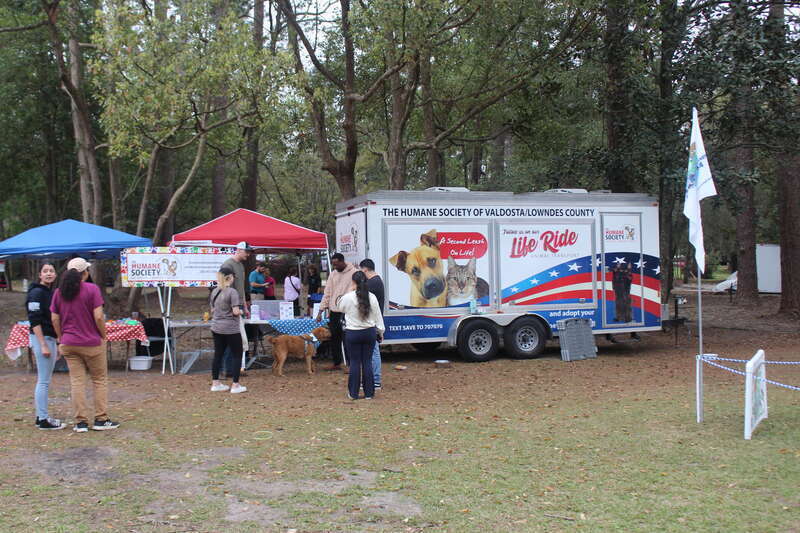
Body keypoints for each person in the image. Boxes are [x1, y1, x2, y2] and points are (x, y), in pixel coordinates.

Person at [50, 258, 119, 432]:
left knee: (77, 382)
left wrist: (61, 337)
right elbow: (98, 317)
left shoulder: (59, 292)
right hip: (91, 343)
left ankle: (80, 422)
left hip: (69, 343)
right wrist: (103, 335)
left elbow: (55, 318)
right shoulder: (92, 289)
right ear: (85, 273)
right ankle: (101, 419)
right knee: (99, 380)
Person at [27, 263, 65, 430]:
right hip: (41, 339)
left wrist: (56, 342)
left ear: (55, 275)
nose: (49, 274)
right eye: (45, 271)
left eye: (51, 271)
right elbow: (34, 320)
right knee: (43, 381)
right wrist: (43, 344)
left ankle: (40, 416)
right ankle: (43, 419)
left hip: (51, 338)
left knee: (46, 380)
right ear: (40, 275)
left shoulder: (51, 293)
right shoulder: (36, 293)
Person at [339, 271, 385, 400]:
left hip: (353, 333)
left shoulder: (348, 297)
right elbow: (378, 317)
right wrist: (380, 332)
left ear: (353, 282)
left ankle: (353, 393)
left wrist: (349, 290)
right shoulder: (372, 297)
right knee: (367, 362)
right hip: (369, 332)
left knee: (354, 362)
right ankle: (369, 393)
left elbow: (340, 307)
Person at [316, 253, 357, 371]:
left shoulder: (354, 272)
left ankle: (350, 364)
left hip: (347, 312)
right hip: (334, 311)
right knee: (334, 338)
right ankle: (336, 363)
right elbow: (327, 293)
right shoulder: (333, 274)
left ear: (342, 261)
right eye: (333, 264)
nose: (334, 266)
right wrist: (320, 311)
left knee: (348, 338)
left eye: (336, 264)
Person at [209, 266, 247, 394]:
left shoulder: (214, 291)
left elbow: (212, 310)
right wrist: (241, 311)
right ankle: (235, 385)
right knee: (237, 354)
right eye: (233, 277)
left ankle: (215, 383)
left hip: (216, 327)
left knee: (218, 354)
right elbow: (235, 311)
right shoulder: (232, 292)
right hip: (230, 328)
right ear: (229, 277)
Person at [359, 258, 385, 390]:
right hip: (373, 321)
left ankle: (375, 380)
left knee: (373, 352)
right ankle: (373, 379)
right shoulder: (377, 281)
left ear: (365, 269)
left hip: (371, 322)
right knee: (372, 351)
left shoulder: (371, 283)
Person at [221, 241, 253, 317]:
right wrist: (233, 307)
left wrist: (245, 307)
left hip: (240, 305)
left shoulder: (241, 265)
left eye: (249, 252)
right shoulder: (227, 265)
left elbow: (241, 288)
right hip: (231, 306)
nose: (248, 254)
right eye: (246, 252)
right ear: (239, 250)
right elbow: (224, 288)